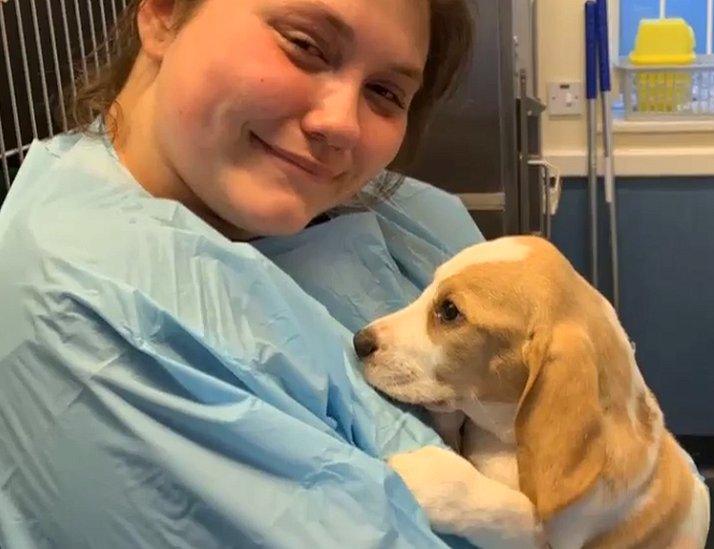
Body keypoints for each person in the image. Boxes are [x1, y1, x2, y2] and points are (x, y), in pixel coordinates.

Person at [0, 0, 481, 547]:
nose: (340, 124)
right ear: (163, 14)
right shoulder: (89, 318)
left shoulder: (407, 216)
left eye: (385, 93)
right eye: (305, 45)